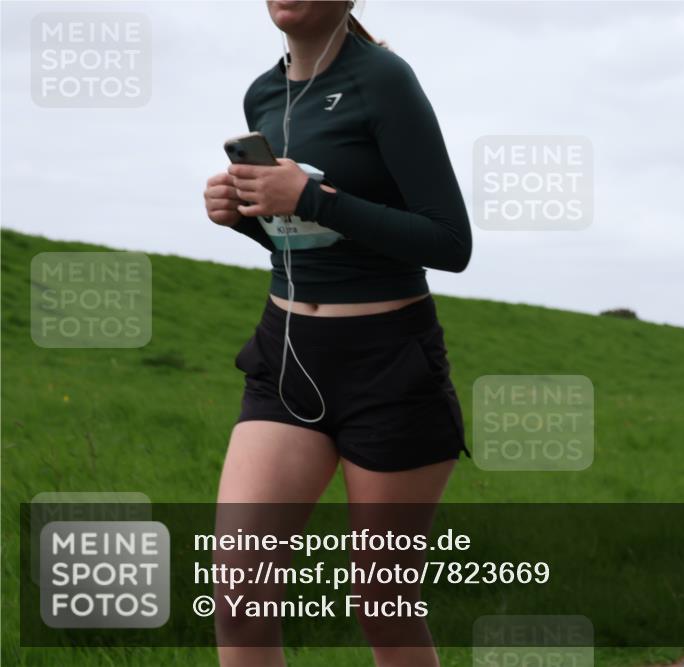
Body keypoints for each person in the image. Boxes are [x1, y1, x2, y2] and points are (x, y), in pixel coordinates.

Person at [202, 2, 472, 665]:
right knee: (239, 601)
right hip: (286, 355)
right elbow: (303, 241)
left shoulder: (384, 81)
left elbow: (449, 241)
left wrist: (310, 196)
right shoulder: (261, 93)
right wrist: (243, 215)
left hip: (390, 366)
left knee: (381, 607)